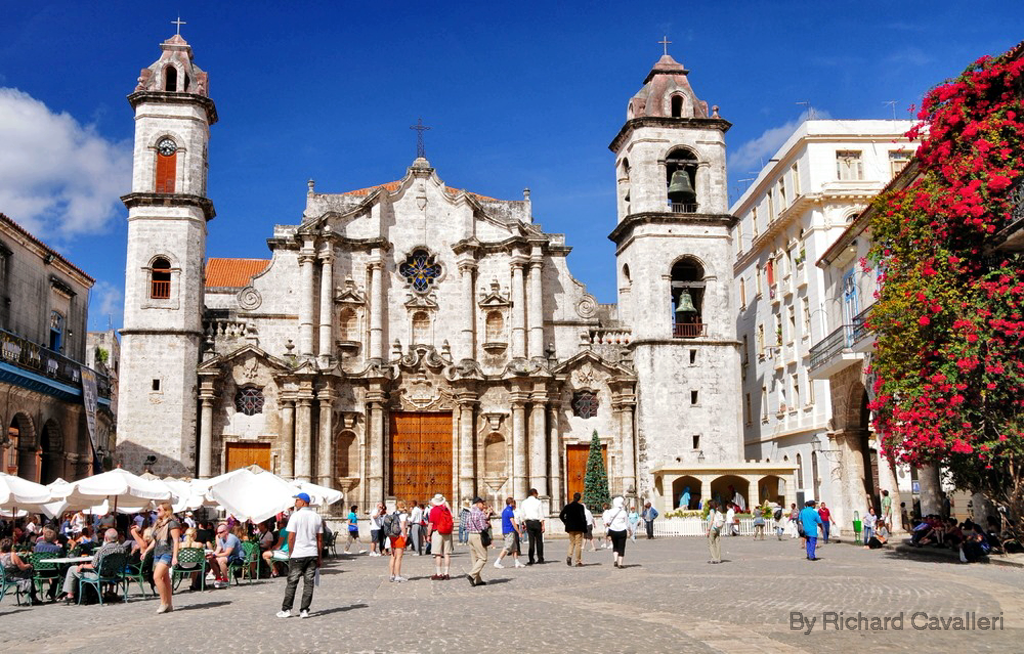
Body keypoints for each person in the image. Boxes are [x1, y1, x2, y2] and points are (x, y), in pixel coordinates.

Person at [59, 527, 143, 606]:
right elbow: (126, 561)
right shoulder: (122, 549)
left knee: (72, 569)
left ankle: (70, 594)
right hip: (114, 574)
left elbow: (93, 565)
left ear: (106, 538)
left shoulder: (103, 550)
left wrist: (82, 565)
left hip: (99, 575)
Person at [276, 493, 323, 619]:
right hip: (312, 554)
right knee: (309, 583)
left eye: (297, 500)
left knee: (292, 582)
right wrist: (319, 557)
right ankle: (304, 610)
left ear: (302, 502)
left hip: (298, 554)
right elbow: (319, 539)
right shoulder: (317, 517)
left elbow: (291, 537)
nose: (295, 503)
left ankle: (286, 609)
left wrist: (291, 553)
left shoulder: (296, 516)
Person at [149, 501, 181, 613]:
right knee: (165, 579)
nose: (157, 511)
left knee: (156, 577)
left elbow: (176, 541)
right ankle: (169, 605)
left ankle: (163, 603)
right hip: (158, 552)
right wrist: (146, 551)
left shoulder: (172, 524)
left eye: (159, 510)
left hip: (167, 553)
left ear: (166, 511)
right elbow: (155, 541)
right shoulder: (158, 524)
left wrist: (175, 557)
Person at [1, 537, 40, 604]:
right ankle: (32, 597)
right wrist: (29, 565)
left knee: (29, 573)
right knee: (30, 573)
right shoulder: (12, 555)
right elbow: (22, 567)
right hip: (15, 577)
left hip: (4, 576)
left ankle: (28, 594)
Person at [465, 496, 492, 586]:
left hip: (470, 536)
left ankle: (478, 580)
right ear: (478, 504)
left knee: (475, 558)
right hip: (478, 536)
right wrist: (487, 525)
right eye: (482, 503)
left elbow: (466, 525)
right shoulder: (479, 513)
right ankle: (471, 575)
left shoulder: (469, 513)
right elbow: (483, 527)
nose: (483, 505)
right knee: (483, 557)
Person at [427, 493, 455, 580]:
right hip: (447, 533)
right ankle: (446, 573)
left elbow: (431, 524)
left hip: (437, 532)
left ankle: (439, 573)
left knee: (438, 554)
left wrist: (428, 535)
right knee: (447, 554)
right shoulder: (446, 509)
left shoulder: (433, 510)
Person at [209, 523, 244, 588]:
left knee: (221, 560)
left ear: (226, 531)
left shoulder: (231, 538)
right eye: (218, 533)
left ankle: (225, 580)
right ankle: (218, 578)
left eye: (220, 532)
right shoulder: (221, 538)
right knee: (211, 560)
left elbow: (227, 553)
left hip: (238, 558)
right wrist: (213, 555)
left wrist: (216, 555)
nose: (219, 534)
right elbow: (218, 548)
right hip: (229, 557)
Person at [494, 497, 523, 570]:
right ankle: (497, 562)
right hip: (509, 530)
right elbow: (513, 522)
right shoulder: (510, 511)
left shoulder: (504, 510)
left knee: (514, 547)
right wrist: (518, 531)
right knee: (507, 547)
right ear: (511, 503)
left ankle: (517, 562)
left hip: (506, 530)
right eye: (513, 502)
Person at [559, 492, 588, 567]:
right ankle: (578, 561)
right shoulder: (580, 507)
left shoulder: (568, 506)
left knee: (572, 543)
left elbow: (561, 515)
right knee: (578, 544)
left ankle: (569, 556)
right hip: (578, 527)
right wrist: (585, 528)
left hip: (570, 527)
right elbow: (583, 517)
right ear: (579, 498)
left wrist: (565, 522)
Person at [603, 496, 630, 568]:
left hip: (613, 530)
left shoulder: (610, 511)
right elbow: (627, 523)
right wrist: (629, 530)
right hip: (622, 531)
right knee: (621, 547)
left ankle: (615, 560)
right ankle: (620, 563)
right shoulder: (623, 512)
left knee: (615, 545)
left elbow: (607, 522)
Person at [386, 500, 409, 582]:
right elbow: (403, 526)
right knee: (399, 557)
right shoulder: (403, 515)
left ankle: (391, 575)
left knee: (393, 556)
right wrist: (405, 535)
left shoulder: (393, 514)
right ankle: (398, 575)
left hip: (393, 536)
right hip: (399, 536)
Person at [521, 488, 545, 565]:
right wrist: (543, 525)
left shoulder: (524, 502)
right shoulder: (538, 502)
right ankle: (540, 558)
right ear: (534, 493)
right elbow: (541, 514)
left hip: (529, 522)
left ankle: (531, 559)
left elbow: (522, 514)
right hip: (537, 522)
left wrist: (523, 523)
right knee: (539, 541)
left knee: (531, 541)